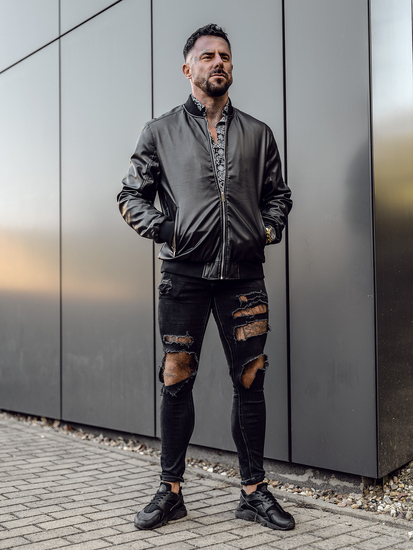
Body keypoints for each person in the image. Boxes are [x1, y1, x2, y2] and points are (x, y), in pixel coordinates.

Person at [117, 23, 294, 532]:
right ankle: (170, 492)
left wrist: (265, 230)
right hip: (184, 277)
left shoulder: (258, 133)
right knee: (176, 378)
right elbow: (130, 195)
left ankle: (254, 493)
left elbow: (279, 196)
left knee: (251, 379)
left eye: (225, 56)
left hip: (243, 277)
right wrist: (168, 229)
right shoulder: (160, 131)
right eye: (208, 56)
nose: (219, 62)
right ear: (187, 68)